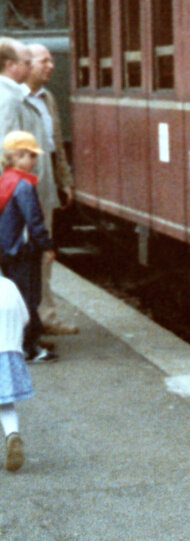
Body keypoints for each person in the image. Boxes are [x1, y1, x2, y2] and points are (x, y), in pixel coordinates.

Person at [24, 44, 75, 335]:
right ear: (27, 64)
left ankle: (46, 317)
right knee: (24, 254)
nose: (51, 66)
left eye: (51, 60)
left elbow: (55, 143)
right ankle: (31, 321)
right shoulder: (16, 99)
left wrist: (64, 179)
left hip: (45, 186)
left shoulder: (48, 98)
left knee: (44, 253)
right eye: (44, 61)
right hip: (22, 188)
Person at [0, 131, 55, 363]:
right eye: (30, 155)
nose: (34, 160)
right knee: (29, 299)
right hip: (23, 251)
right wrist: (47, 246)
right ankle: (30, 348)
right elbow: (34, 221)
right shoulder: (23, 185)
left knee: (17, 298)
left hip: (7, 251)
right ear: (16, 156)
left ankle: (20, 344)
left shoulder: (5, 180)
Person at [0, 271, 32, 470]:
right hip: (10, 353)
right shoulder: (9, 286)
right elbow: (25, 317)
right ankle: (12, 435)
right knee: (5, 403)